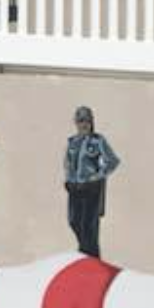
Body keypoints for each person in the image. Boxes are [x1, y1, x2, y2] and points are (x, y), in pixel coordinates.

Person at [63, 105, 120, 258]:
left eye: (87, 120)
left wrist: (98, 176)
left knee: (89, 226)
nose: (84, 124)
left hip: (90, 188)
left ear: (91, 122)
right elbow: (67, 163)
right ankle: (85, 252)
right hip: (75, 187)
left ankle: (90, 257)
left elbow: (112, 161)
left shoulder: (97, 141)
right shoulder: (72, 142)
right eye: (80, 121)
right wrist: (68, 179)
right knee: (73, 221)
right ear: (76, 122)